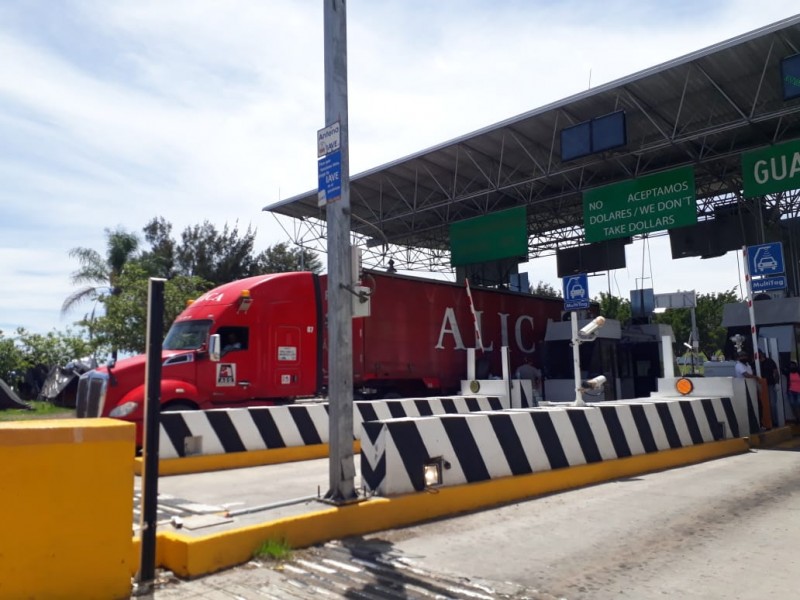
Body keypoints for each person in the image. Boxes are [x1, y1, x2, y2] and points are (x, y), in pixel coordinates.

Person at [758, 351, 780, 425]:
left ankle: (775, 422)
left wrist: (777, 383)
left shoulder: (769, 361)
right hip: (760, 385)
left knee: (772, 404)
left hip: (770, 384)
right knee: (763, 405)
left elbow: (776, 372)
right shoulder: (756, 363)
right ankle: (766, 422)